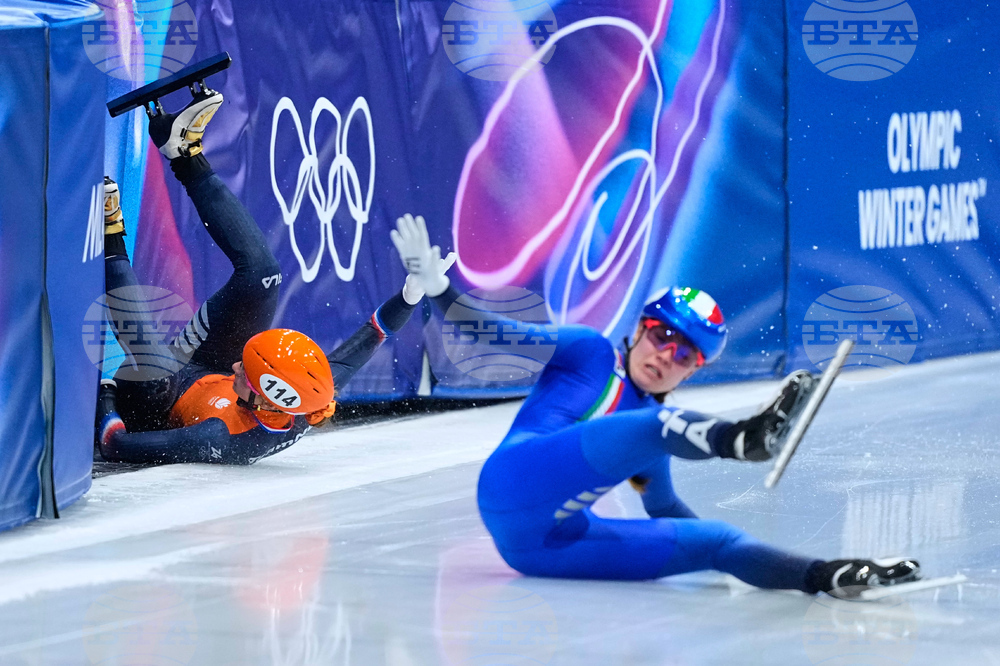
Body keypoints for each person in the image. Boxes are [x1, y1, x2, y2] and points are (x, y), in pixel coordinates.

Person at [391, 214, 921, 599]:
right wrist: (439, 289)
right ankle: (745, 439)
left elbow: (664, 510)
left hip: (544, 547)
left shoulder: (655, 438)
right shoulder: (589, 354)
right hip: (510, 481)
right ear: (639, 330)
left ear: (694, 370)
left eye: (685, 353)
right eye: (663, 335)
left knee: (718, 537)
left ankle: (828, 576)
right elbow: (496, 335)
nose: (667, 354)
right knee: (653, 423)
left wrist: (727, 554)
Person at [95, 89, 449, 465]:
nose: (236, 365)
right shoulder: (310, 391)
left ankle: (110, 235)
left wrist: (107, 396)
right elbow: (373, 335)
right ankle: (183, 153)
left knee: (156, 374)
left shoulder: (221, 436)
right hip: (201, 366)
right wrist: (410, 297)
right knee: (262, 278)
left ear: (264, 398)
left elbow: (116, 445)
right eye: (243, 363)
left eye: (244, 371)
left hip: (155, 404)